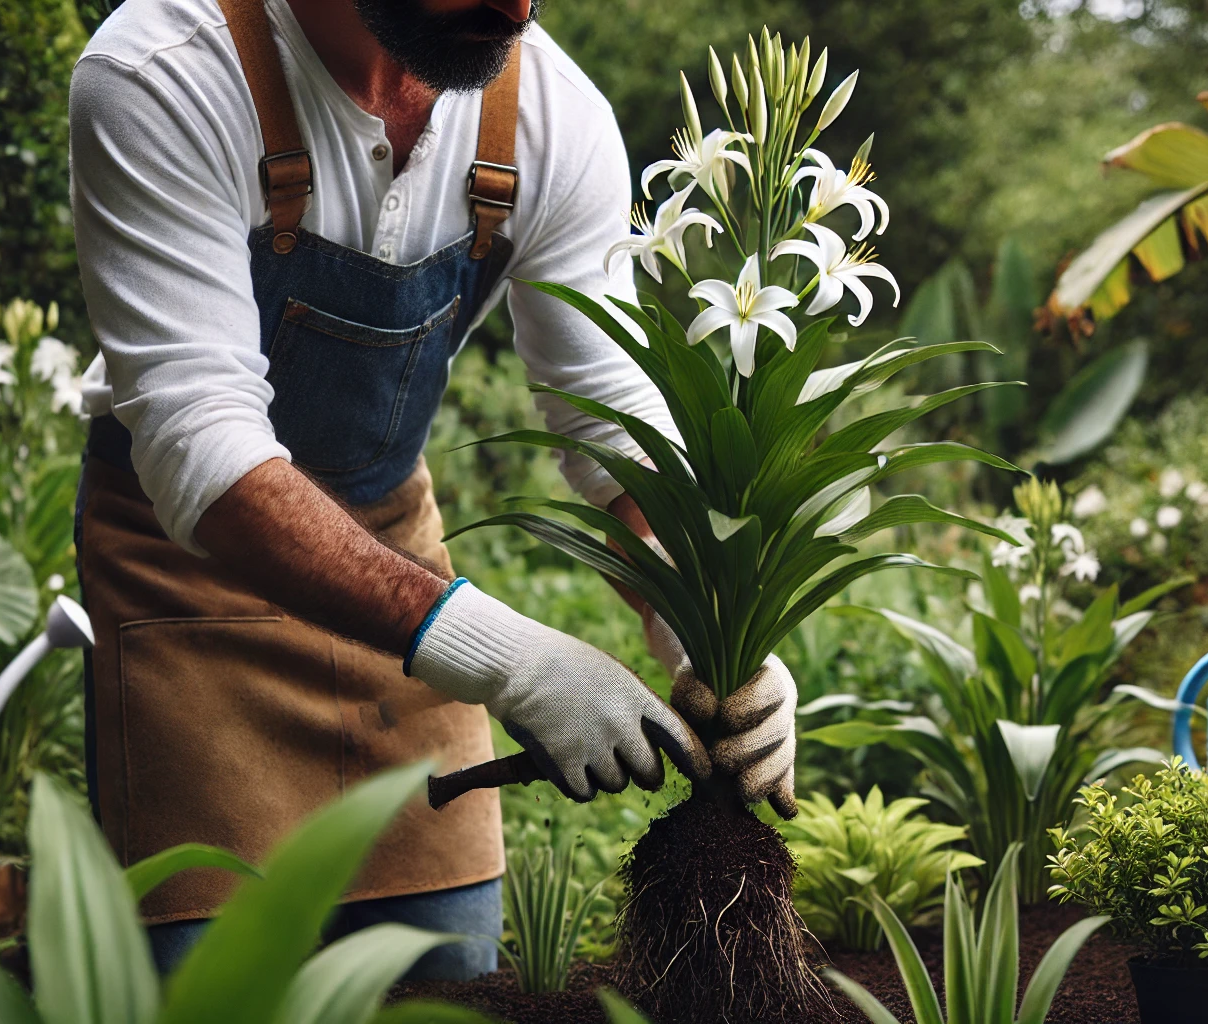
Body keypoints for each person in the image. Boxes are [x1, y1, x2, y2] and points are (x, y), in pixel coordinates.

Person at [69, 0, 799, 980]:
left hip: (397, 576)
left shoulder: (546, 115)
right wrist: (509, 660)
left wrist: (709, 628)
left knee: (442, 974)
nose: (519, 8)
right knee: (210, 981)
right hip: (185, 583)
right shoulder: (168, 71)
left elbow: (605, 416)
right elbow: (203, 453)